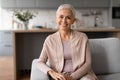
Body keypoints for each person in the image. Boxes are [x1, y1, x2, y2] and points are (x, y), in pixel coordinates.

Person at [37, 4, 98, 80]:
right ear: (56, 18)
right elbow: (40, 62)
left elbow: (88, 64)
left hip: (82, 75)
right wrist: (52, 72)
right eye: (61, 17)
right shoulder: (50, 40)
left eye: (68, 18)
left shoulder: (82, 37)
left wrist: (72, 77)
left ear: (73, 21)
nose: (64, 21)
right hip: (60, 76)